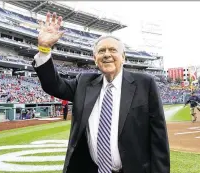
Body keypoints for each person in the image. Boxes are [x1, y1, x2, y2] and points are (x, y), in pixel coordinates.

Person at [32, 12, 170, 173]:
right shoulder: (84, 83)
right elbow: (53, 85)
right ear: (95, 58)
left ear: (123, 57)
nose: (106, 54)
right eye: (101, 51)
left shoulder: (145, 84)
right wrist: (44, 49)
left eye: (113, 50)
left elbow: (159, 138)